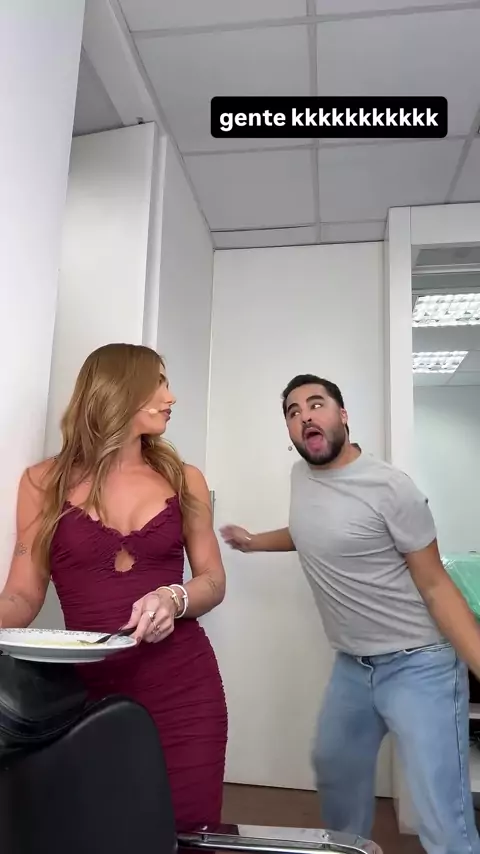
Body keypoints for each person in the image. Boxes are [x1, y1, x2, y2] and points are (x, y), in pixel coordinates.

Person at [221, 373, 480, 854]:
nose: (305, 416)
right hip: (353, 667)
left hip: (420, 664)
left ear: (342, 415)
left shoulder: (391, 488)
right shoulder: (301, 477)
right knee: (335, 770)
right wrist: (255, 542)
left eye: (316, 404)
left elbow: (436, 585)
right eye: (293, 412)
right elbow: (313, 531)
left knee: (440, 812)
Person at [0, 343, 228, 831]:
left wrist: (174, 597)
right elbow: (22, 596)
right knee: (101, 829)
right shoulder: (42, 482)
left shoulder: (184, 479)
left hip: (183, 687)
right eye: (159, 383)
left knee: (188, 828)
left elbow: (212, 580)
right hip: (84, 695)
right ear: (121, 391)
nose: (171, 397)